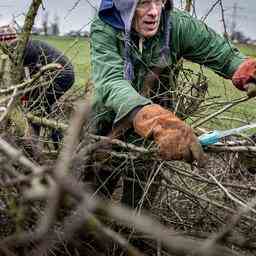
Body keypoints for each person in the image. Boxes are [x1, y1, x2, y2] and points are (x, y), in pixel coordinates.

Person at [90, 0, 256, 208]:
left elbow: (220, 52)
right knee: (94, 194)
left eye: (158, 1)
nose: (153, 12)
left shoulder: (176, 25)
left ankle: (129, 233)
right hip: (109, 125)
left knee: (138, 207)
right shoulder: (105, 26)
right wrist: (156, 120)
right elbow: (110, 81)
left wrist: (245, 70)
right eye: (143, 3)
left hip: (156, 136)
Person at [0, 25, 75, 149]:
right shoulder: (22, 46)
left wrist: (25, 97)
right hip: (61, 75)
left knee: (37, 107)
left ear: (4, 40)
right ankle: (51, 143)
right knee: (40, 107)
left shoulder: (20, 49)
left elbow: (32, 78)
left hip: (61, 75)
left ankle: (40, 145)